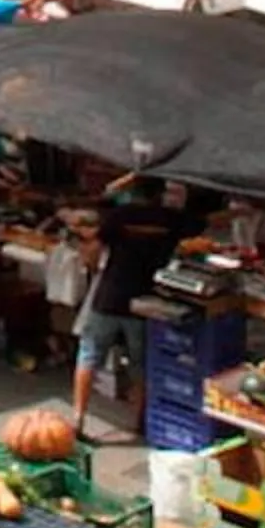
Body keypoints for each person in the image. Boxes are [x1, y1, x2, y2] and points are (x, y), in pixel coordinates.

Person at [72, 176, 191, 431]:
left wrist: (125, 180)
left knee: (89, 354)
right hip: (144, 301)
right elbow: (207, 222)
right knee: (139, 363)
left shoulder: (120, 215)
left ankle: (78, 417)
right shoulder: (170, 219)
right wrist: (242, 211)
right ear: (160, 194)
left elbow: (95, 221)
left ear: (135, 192)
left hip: (109, 296)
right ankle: (138, 419)